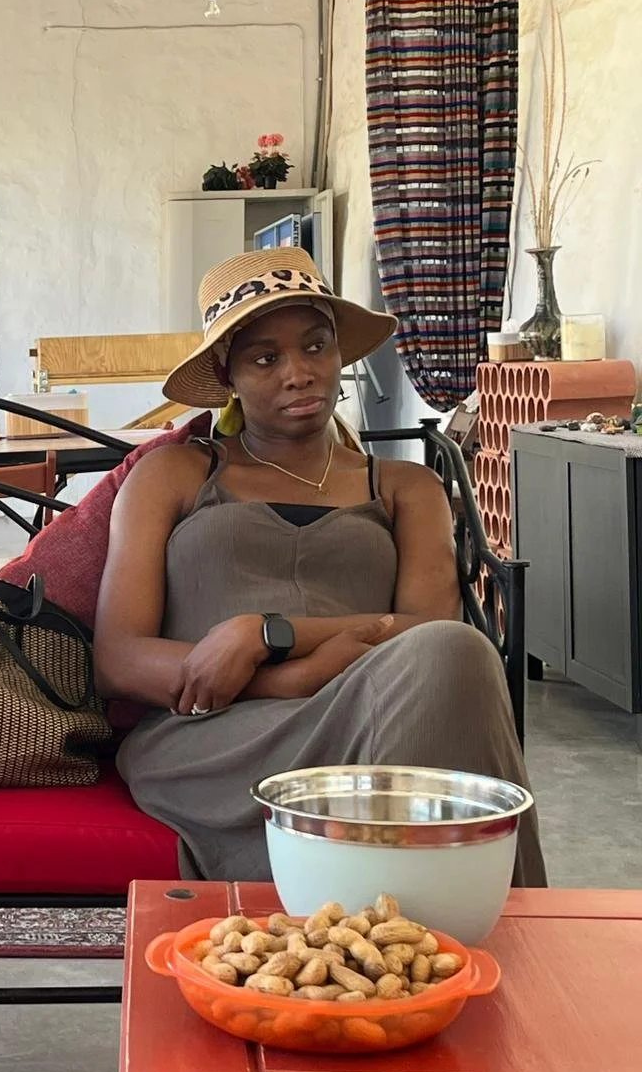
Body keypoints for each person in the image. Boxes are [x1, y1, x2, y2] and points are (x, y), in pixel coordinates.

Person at [96, 247, 546, 886]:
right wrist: (291, 678)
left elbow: (425, 633)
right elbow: (117, 658)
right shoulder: (174, 474)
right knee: (447, 668)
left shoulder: (404, 486)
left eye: (315, 347)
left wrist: (265, 632)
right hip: (214, 736)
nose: (299, 373)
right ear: (228, 377)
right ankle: (426, 945)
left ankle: (433, 946)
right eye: (265, 358)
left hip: (374, 715)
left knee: (457, 653)